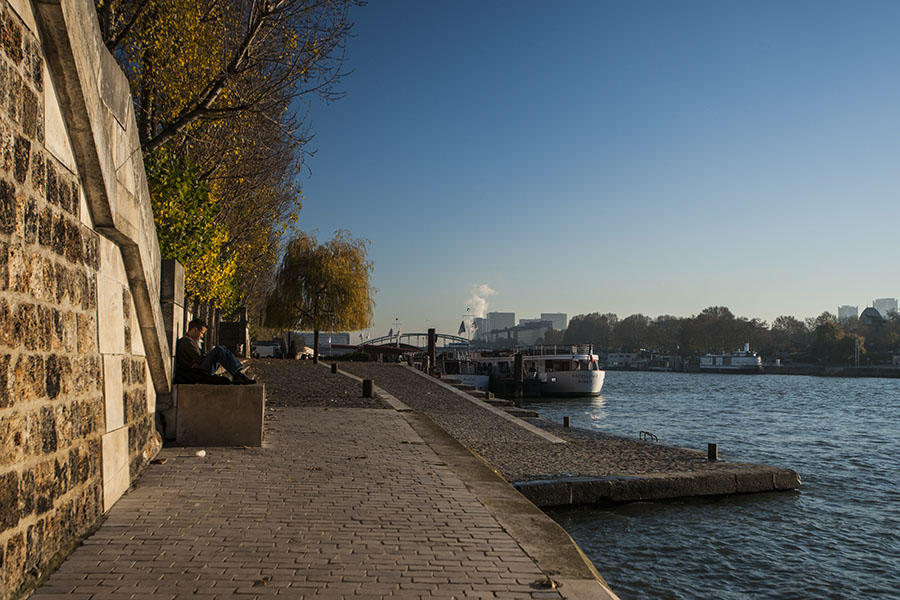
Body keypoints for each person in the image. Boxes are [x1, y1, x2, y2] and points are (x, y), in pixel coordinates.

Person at [175, 318, 256, 385]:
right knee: (219, 349)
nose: (202, 336)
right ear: (195, 330)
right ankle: (237, 374)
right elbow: (199, 360)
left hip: (198, 369)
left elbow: (199, 358)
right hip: (197, 372)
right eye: (202, 333)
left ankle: (237, 374)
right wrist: (201, 359)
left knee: (222, 348)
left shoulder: (192, 341)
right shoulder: (186, 341)